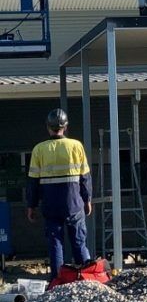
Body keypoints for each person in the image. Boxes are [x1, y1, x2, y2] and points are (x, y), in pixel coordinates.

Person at [25, 108, 93, 279]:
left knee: (56, 245)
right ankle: (87, 280)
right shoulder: (76, 146)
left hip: (51, 206)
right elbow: (85, 177)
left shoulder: (39, 150)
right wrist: (87, 199)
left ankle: (58, 282)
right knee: (79, 243)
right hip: (74, 204)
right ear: (66, 126)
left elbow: (33, 182)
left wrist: (31, 206)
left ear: (48, 127)